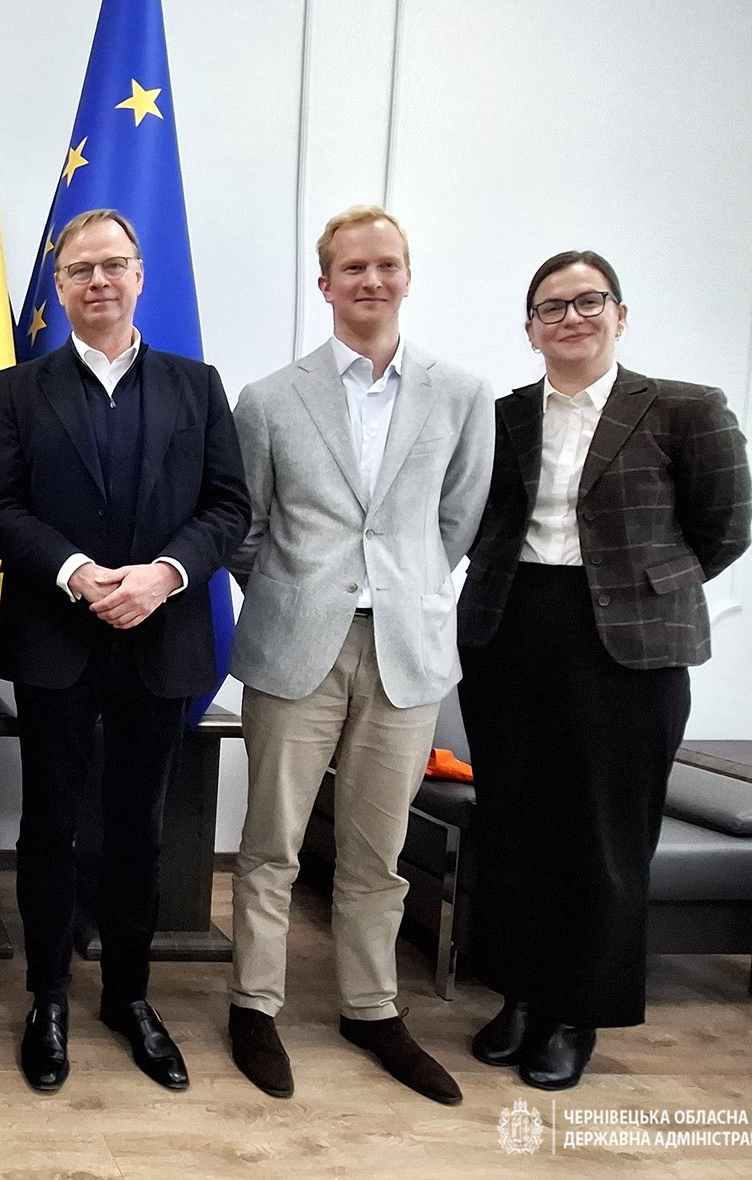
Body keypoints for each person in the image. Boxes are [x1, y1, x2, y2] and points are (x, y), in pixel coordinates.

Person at [457, 250, 751, 1091]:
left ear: (621, 315)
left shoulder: (685, 409)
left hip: (629, 648)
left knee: (606, 834)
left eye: (589, 301)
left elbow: (724, 529)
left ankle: (575, 1012)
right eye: (551, 307)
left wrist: (643, 591)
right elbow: (479, 519)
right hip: (510, 630)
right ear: (530, 329)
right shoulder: (504, 416)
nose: (572, 318)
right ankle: (520, 994)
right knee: (515, 822)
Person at [0, 208, 248, 1096]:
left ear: (139, 276)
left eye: (114, 265)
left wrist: (164, 576)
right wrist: (77, 572)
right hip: (57, 637)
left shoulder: (197, 386)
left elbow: (228, 507)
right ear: (58, 288)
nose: (98, 280)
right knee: (49, 828)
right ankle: (48, 997)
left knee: (139, 830)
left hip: (160, 637)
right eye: (81, 269)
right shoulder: (18, 389)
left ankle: (129, 996)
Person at [223, 205, 493, 1106]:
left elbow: (458, 520)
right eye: (352, 267)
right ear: (325, 283)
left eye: (386, 265)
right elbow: (246, 529)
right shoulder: (270, 399)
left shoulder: (462, 395)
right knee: (271, 845)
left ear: (407, 276)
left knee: (379, 852)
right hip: (295, 645)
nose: (370, 280)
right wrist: (306, 591)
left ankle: (371, 1009)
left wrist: (400, 586)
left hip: (407, 651)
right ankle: (254, 1005)